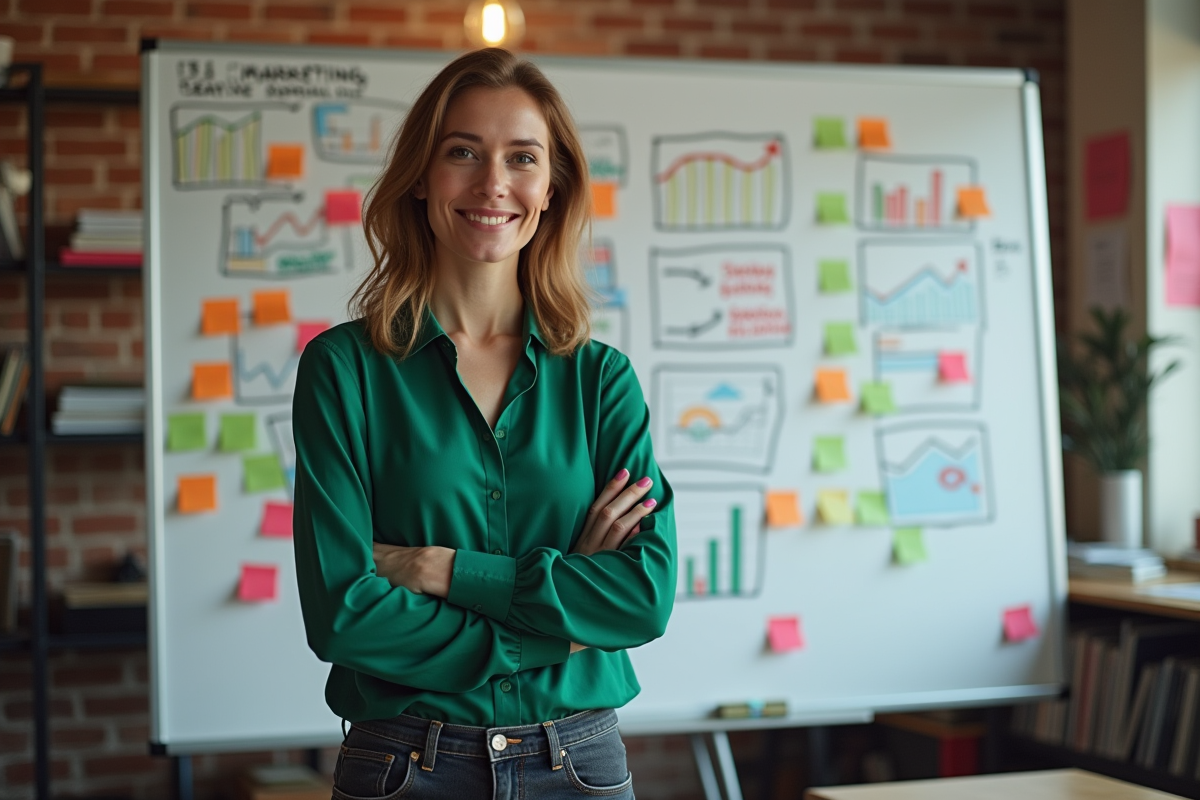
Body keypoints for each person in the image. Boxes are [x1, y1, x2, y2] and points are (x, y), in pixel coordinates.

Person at [291, 47, 676, 799]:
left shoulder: (601, 381)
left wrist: (439, 569)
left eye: (522, 157)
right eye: (462, 152)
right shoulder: (344, 370)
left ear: (551, 188)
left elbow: (640, 595)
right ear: (421, 177)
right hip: (405, 767)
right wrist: (560, 625)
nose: (493, 183)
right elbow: (344, 615)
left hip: (578, 768)